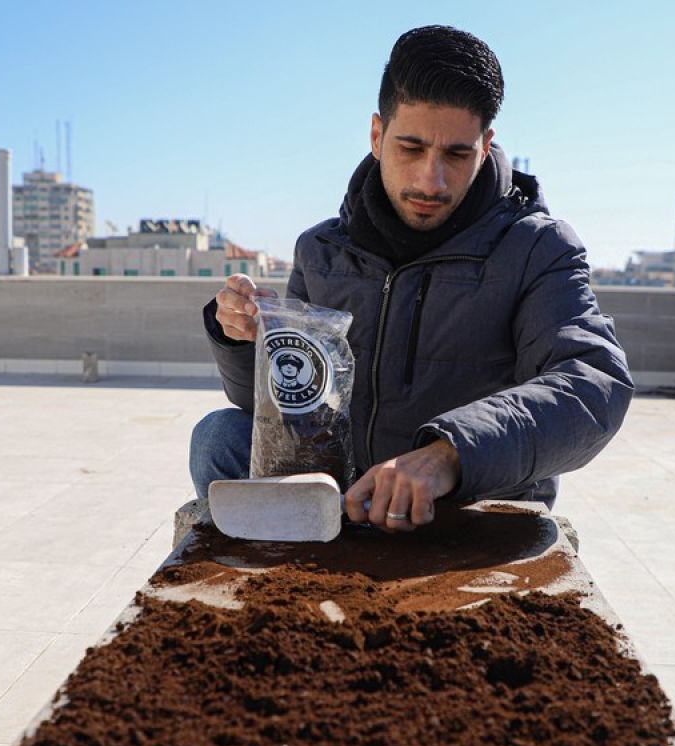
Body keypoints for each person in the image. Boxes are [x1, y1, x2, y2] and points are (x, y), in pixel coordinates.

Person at [192, 25, 633, 532]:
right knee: (219, 436)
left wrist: (449, 455)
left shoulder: (538, 248)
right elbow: (286, 411)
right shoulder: (321, 251)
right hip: (352, 495)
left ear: (486, 147)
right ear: (377, 136)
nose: (431, 180)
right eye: (411, 147)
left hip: (466, 504)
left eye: (456, 154)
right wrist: (244, 339)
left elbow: (595, 383)